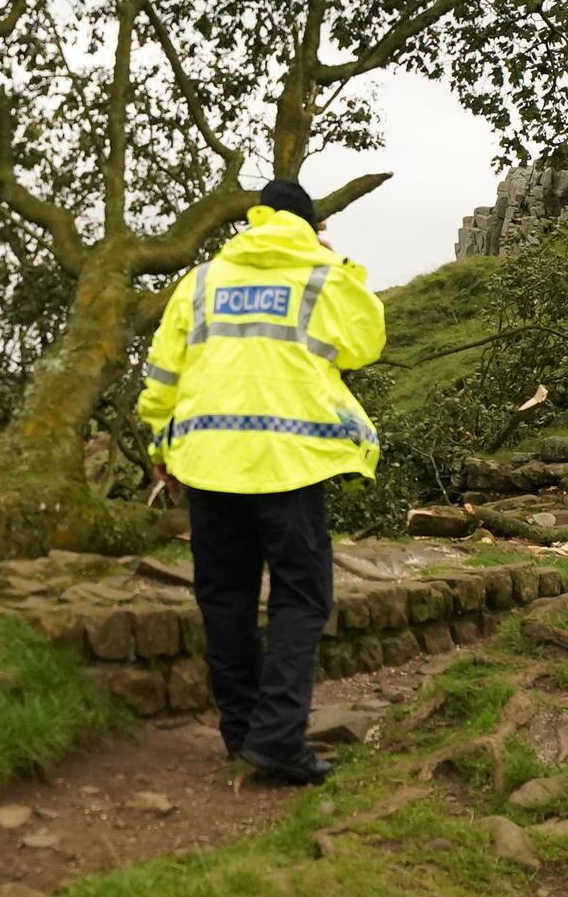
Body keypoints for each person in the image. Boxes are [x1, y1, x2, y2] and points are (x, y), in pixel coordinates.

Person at [136, 178, 385, 787]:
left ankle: (241, 733)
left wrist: (158, 444)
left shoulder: (200, 282)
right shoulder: (321, 275)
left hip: (207, 461)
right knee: (301, 599)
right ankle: (276, 738)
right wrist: (331, 258)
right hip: (289, 464)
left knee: (225, 599)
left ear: (253, 221)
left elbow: (163, 372)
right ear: (309, 226)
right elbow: (365, 342)